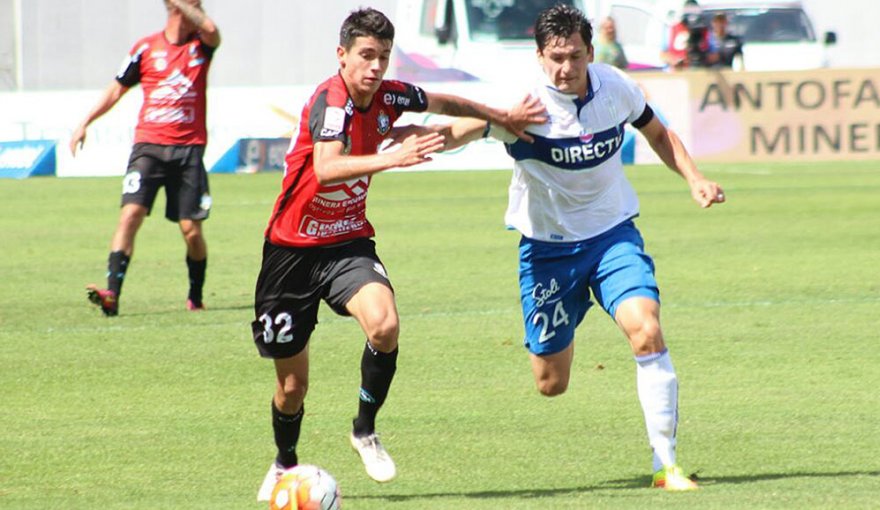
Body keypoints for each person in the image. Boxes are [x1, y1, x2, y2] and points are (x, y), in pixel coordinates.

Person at [251, 7, 545, 502]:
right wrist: (391, 156)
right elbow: (325, 169)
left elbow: (444, 100)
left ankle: (364, 429)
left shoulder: (388, 95)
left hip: (346, 243)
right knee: (292, 388)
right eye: (366, 55)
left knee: (384, 326)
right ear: (342, 55)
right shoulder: (332, 101)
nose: (375, 66)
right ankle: (284, 462)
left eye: (383, 57)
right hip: (291, 253)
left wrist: (499, 117)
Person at [434, 3, 725, 491]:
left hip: (612, 236)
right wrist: (414, 145)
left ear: (591, 51)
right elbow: (460, 131)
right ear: (539, 56)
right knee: (551, 383)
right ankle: (570, 315)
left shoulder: (615, 87)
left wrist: (694, 178)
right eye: (554, 57)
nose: (564, 68)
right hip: (547, 251)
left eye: (574, 55)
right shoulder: (521, 105)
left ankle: (666, 465)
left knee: (646, 329)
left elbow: (657, 131)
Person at [70, 0, 220, 316]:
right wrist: (84, 122)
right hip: (148, 147)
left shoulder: (201, 47)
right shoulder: (146, 48)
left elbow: (210, 29)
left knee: (191, 231)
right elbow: (115, 90)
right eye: (197, 4)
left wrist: (181, 3)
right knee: (130, 215)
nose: (201, 10)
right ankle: (112, 295)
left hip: (188, 150)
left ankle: (195, 295)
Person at [662, 0, 714, 69]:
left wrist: (702, 58)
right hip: (678, 72)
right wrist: (676, 61)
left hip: (700, 71)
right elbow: (662, 55)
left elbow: (714, 55)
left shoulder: (704, 30)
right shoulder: (673, 29)